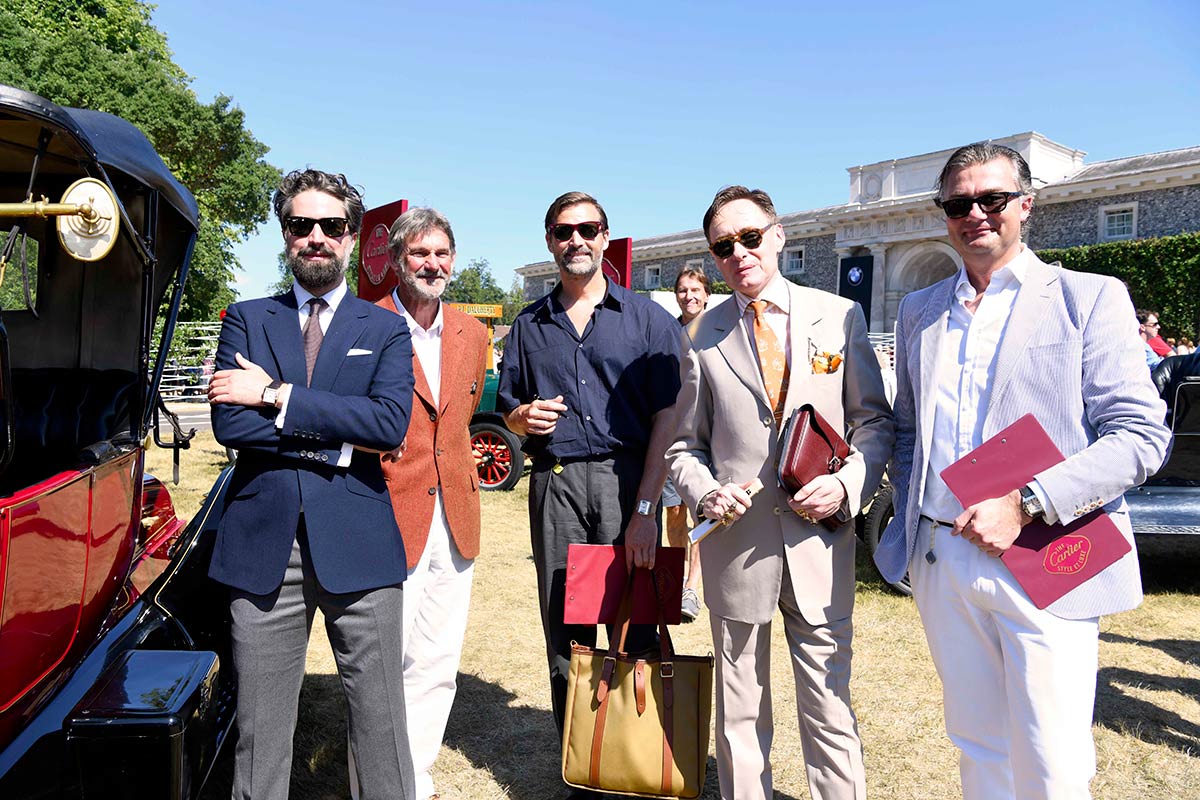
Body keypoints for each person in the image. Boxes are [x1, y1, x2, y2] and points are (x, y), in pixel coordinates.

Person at [876, 142, 1171, 800]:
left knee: (1052, 759)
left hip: (1045, 550)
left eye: (992, 199)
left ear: (1026, 205)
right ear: (943, 215)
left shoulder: (1087, 298)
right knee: (978, 746)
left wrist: (1029, 501)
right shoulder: (920, 310)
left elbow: (1142, 436)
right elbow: (906, 428)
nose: (975, 213)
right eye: (959, 203)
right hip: (942, 555)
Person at [666, 186, 894, 800]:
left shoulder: (840, 316)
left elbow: (874, 424)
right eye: (723, 246)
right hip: (737, 548)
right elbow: (683, 446)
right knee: (739, 713)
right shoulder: (700, 337)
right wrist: (706, 492)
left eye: (749, 237)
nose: (739, 253)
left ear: (778, 234)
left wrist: (847, 485)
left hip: (821, 543)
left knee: (829, 705)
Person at [207, 168, 416, 800]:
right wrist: (339, 438)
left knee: (381, 725)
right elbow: (231, 423)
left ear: (353, 236)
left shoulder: (384, 328)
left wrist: (274, 394)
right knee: (259, 732)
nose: (316, 237)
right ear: (285, 234)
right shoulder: (246, 319)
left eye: (331, 225)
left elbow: (388, 423)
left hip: (361, 543)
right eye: (302, 225)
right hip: (263, 546)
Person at [497, 192, 681, 792]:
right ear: (549, 241)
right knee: (568, 635)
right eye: (563, 231)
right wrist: (523, 417)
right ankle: (581, 766)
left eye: (588, 229)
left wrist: (648, 508)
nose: (576, 240)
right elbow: (509, 412)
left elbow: (669, 417)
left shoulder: (649, 319)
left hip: (631, 484)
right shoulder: (528, 325)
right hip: (556, 485)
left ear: (606, 238)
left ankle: (641, 765)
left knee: (641, 626)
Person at [361, 207, 488, 800]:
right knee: (384, 664)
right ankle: (377, 781)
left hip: (456, 517)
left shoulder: (473, 332)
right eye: (419, 253)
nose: (432, 264)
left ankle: (415, 775)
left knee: (437, 659)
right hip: (387, 512)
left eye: (441, 253)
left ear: (453, 260)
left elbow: (457, 426)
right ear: (396, 260)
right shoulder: (364, 325)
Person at [664, 267, 710, 621]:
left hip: (706, 435)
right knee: (675, 513)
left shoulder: (718, 331)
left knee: (700, 512)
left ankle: (693, 587)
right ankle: (676, 580)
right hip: (670, 433)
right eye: (683, 290)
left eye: (695, 289)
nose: (689, 295)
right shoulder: (668, 332)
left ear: (707, 294)